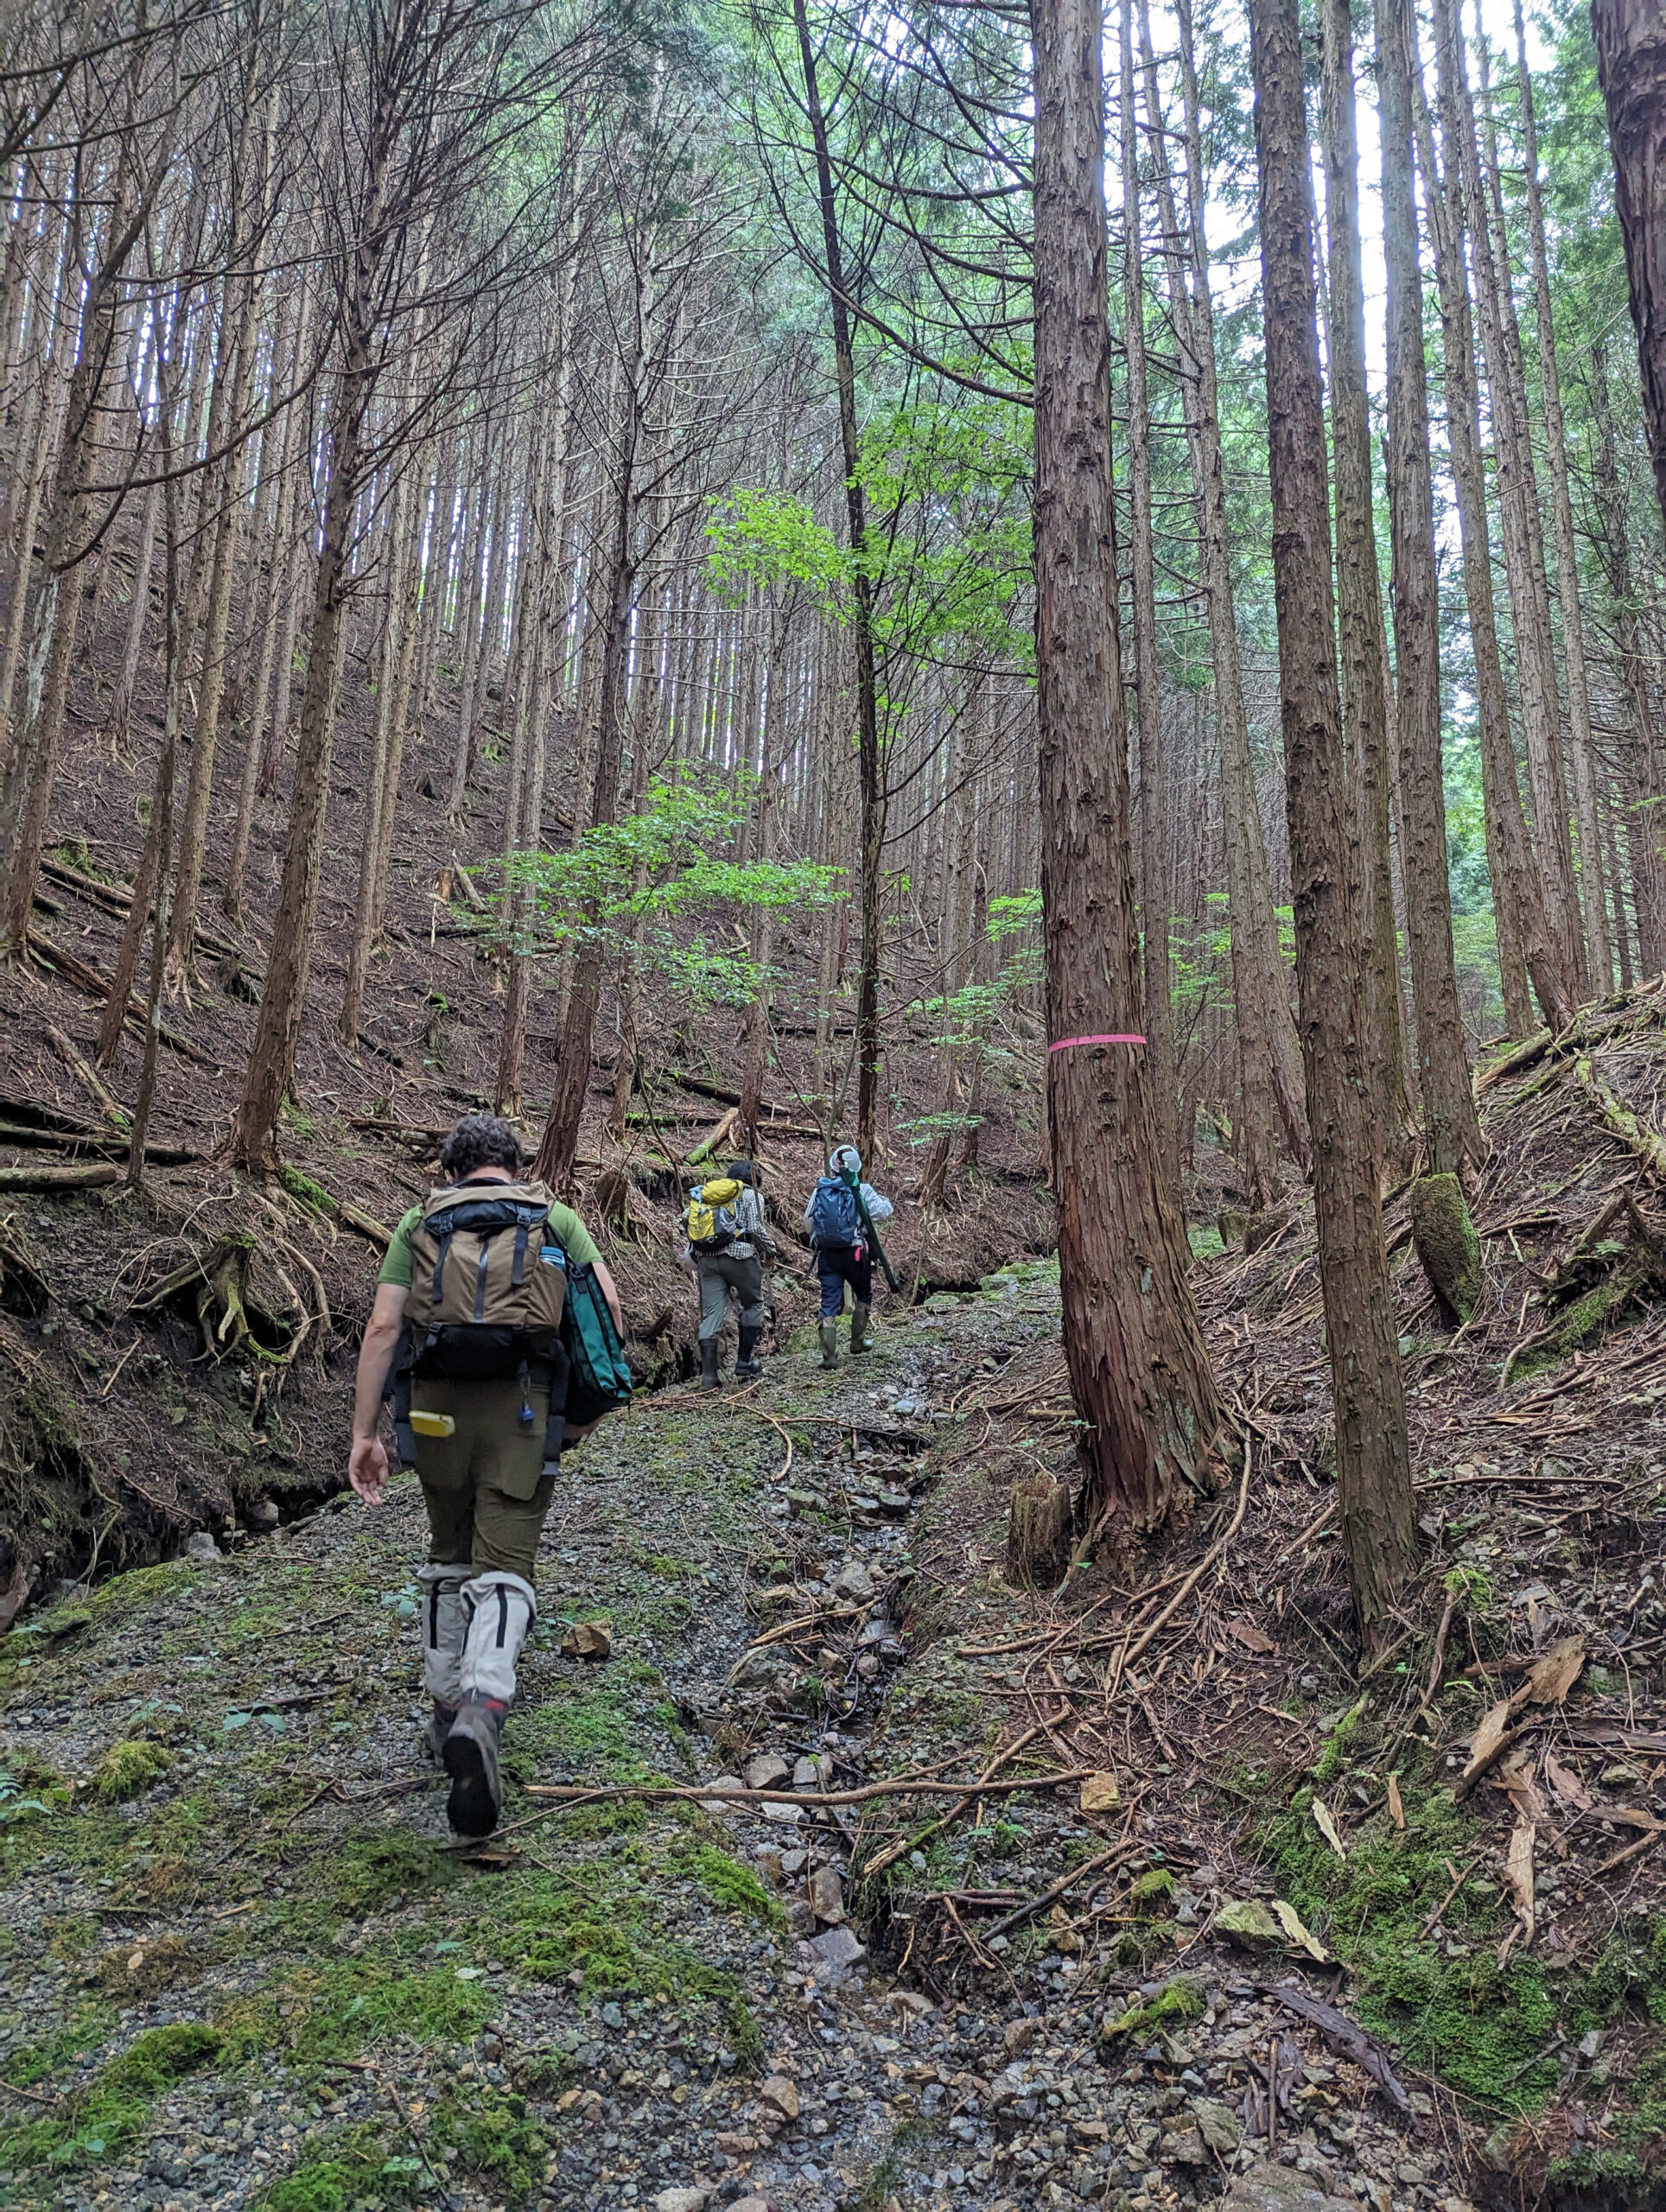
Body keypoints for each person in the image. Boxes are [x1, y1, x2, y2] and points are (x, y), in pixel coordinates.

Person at [347, 1113, 625, 1837]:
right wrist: (585, 1414)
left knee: (449, 1554)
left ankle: (446, 1711)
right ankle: (484, 1702)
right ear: (514, 1162)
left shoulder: (419, 1221)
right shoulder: (554, 1217)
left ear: (451, 1168)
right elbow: (607, 1312)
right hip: (524, 1411)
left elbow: (383, 1329)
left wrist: (365, 1433)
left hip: (433, 1412)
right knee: (506, 1565)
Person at [682, 1157, 777, 1391]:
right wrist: (770, 1250)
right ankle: (743, 1363)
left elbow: (686, 1217)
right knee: (754, 1303)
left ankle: (709, 1378)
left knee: (712, 1314)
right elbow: (754, 1228)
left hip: (708, 1260)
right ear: (755, 1181)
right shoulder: (749, 1195)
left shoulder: (709, 1195)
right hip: (740, 1257)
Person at [804, 1144, 893, 1369]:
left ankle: (829, 1357)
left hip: (827, 1255)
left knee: (829, 1302)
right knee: (863, 1294)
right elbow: (883, 1212)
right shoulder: (862, 1190)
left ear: (833, 1165)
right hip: (855, 1254)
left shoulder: (820, 1190)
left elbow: (808, 1223)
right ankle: (857, 1341)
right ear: (856, 1168)